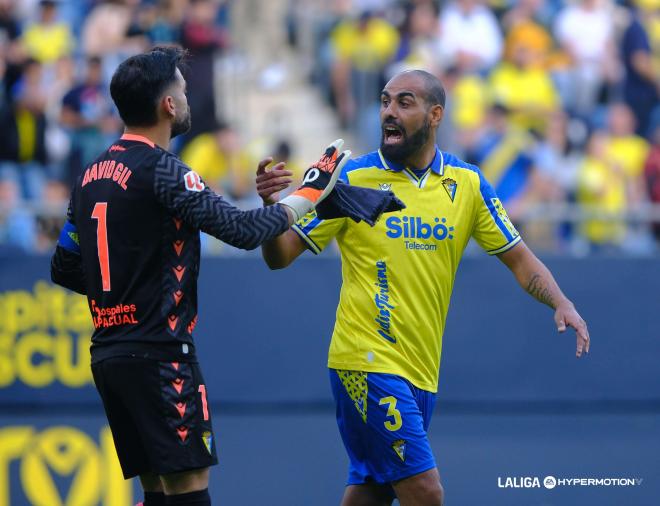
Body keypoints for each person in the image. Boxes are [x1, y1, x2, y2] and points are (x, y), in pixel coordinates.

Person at [257, 69, 590, 506]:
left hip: (420, 371)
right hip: (366, 360)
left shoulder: (466, 184)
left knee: (371, 491)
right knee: (425, 492)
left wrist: (561, 301)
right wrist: (270, 208)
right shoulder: (350, 178)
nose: (389, 112)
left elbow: (519, 257)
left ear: (435, 115)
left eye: (404, 102)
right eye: (385, 101)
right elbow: (280, 256)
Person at [49, 46, 349, 506]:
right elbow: (244, 232)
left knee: (155, 493)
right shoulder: (166, 171)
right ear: (168, 105)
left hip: (109, 356)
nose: (187, 98)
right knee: (188, 493)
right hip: (162, 355)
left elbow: (64, 266)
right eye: (183, 90)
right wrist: (311, 190)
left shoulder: (90, 175)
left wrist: (129, 286)